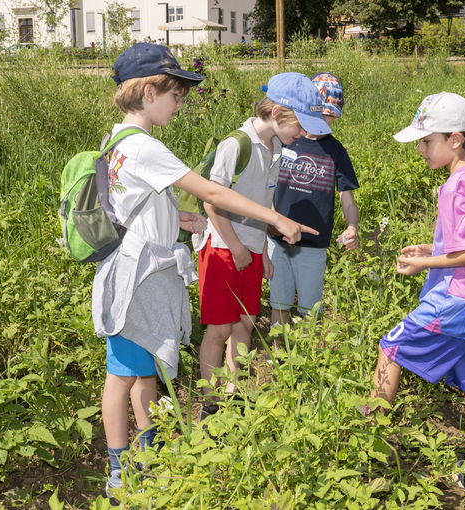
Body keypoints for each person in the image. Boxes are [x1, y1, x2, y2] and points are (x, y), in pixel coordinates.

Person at [94, 43, 313, 498]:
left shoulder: (115, 141)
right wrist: (274, 218)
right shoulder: (143, 146)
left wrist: (184, 221)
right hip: (138, 279)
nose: (181, 103)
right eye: (176, 94)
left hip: (137, 271)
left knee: (142, 371)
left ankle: (147, 453)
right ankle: (119, 468)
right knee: (123, 374)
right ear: (149, 92)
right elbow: (212, 190)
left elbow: (137, 208)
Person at [365, 92, 465, 498]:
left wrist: (422, 265)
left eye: (428, 141)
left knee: (391, 347)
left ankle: (366, 443)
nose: (422, 150)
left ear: (456, 139)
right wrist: (430, 249)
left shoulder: (454, 186)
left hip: (461, 300)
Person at [192, 72, 329, 420]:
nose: (302, 134)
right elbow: (213, 202)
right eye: (300, 125)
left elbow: (263, 203)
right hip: (223, 246)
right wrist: (237, 246)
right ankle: (211, 402)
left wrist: (264, 251)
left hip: (252, 249)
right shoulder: (236, 145)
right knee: (219, 328)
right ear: (280, 115)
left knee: (246, 323)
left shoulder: (279, 148)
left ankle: (233, 392)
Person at [268, 72, 360, 328]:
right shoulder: (284, 141)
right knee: (279, 304)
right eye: (322, 115)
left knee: (311, 309)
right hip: (277, 239)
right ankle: (279, 359)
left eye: (332, 117)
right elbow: (265, 187)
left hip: (314, 243)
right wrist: (272, 220)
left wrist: (352, 226)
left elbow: (348, 199)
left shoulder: (335, 151)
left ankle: (307, 361)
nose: (326, 122)